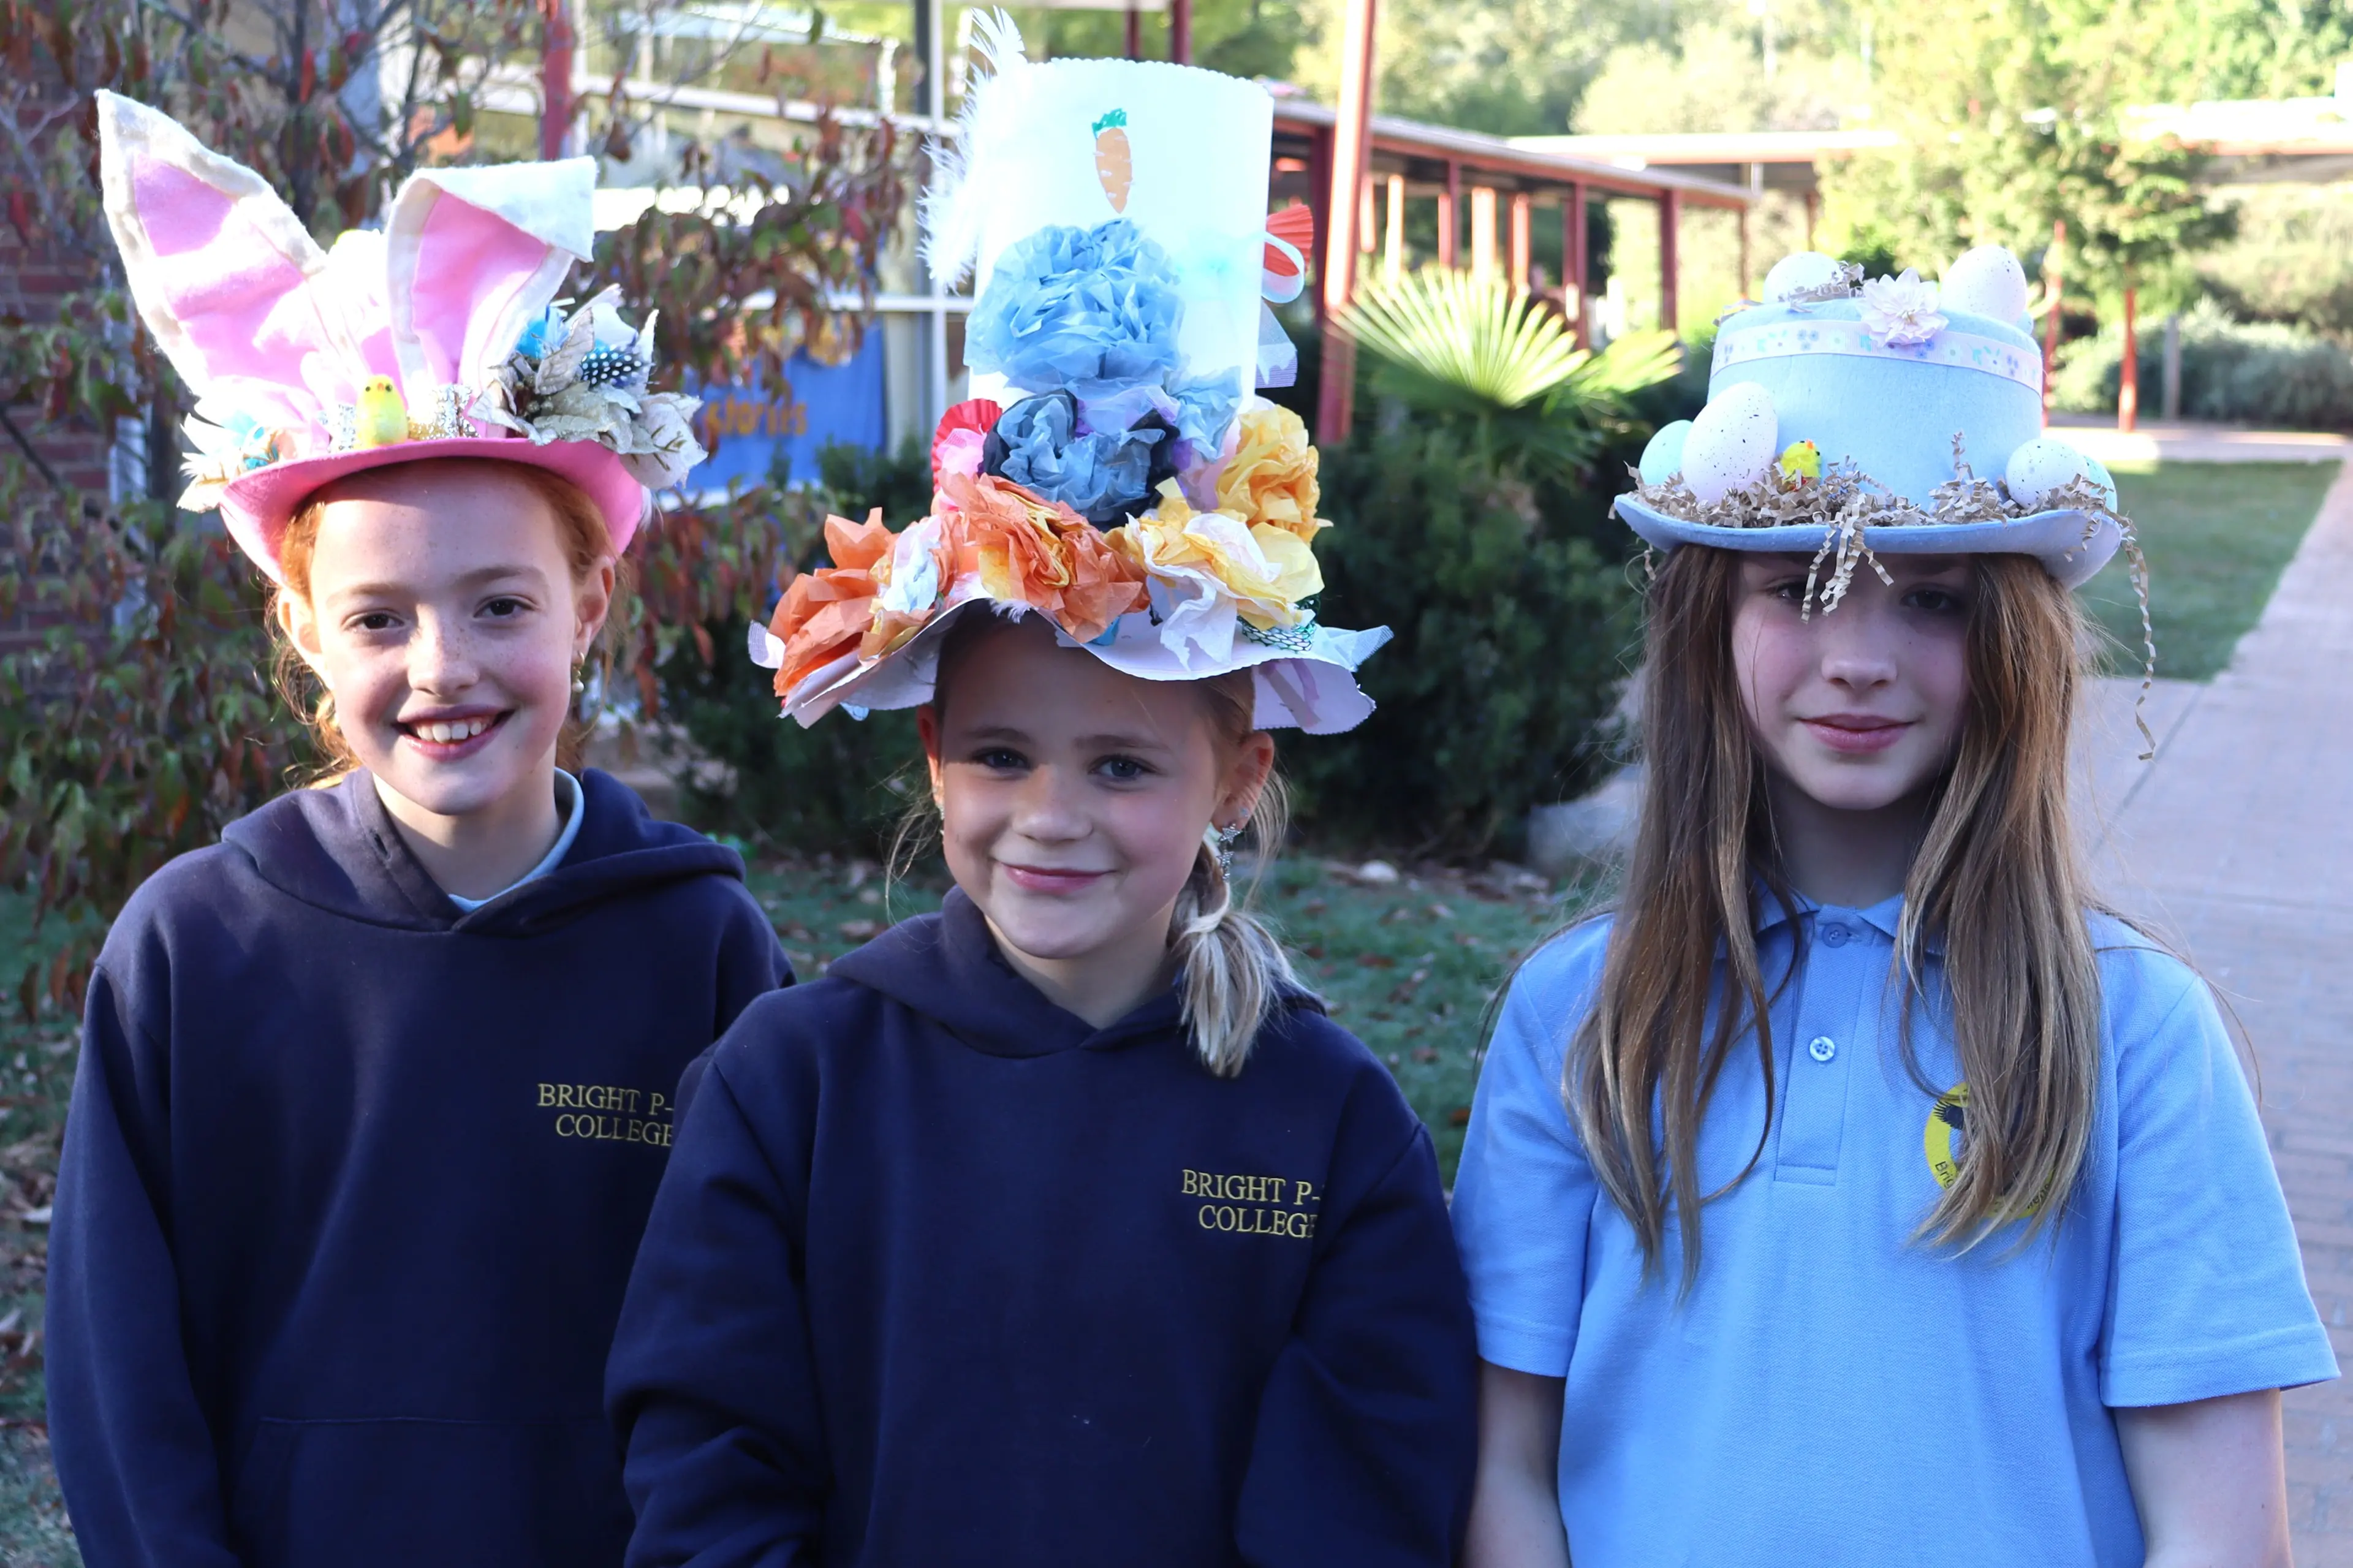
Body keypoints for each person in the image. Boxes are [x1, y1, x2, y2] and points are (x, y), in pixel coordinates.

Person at [605, 20, 1477, 1565]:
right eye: (1002, 756)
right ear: (932, 754)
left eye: (1124, 762)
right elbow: (709, 1450)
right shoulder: (793, 1087)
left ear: (1237, 773)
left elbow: (1371, 1474)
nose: (1051, 814)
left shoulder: (1324, 1116)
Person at [1453, 248, 2338, 1568]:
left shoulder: (2135, 1031)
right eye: (1799, 588)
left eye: (1932, 601)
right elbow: (1507, 1472)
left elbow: (2220, 1536)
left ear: (2016, 645)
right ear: (1707, 625)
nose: (1860, 658)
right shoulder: (1580, 1011)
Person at [48, 93, 788, 1567]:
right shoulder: (194, 948)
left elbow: (757, 1338)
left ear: (590, 605)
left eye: (501, 603)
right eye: (380, 617)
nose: (443, 665)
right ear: (306, 633)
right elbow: (117, 1368)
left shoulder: (698, 944)